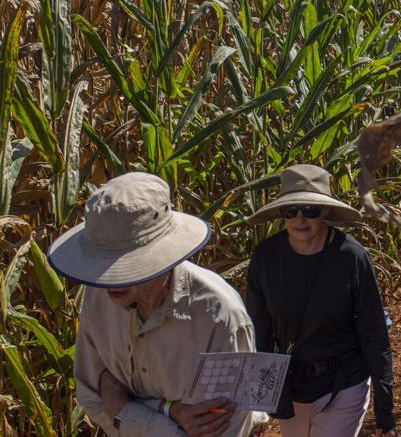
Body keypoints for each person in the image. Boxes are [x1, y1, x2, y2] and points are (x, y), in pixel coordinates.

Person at [48, 171, 265, 436]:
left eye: (125, 268)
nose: (109, 281)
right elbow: (92, 400)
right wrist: (169, 412)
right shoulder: (97, 297)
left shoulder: (219, 316)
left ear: (164, 258)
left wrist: (125, 409)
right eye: (102, 266)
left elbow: (228, 428)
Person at [244, 164, 397, 437]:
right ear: (282, 213)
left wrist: (384, 410)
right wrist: (258, 404)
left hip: (345, 381)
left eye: (310, 210)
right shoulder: (265, 257)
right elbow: (259, 331)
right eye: (291, 211)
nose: (300, 219)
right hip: (293, 383)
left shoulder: (351, 257)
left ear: (324, 211)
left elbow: (373, 332)